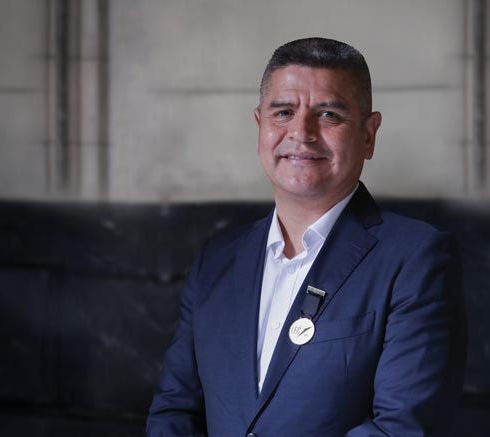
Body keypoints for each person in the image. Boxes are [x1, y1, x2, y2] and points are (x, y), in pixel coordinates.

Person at [147, 37, 466, 436]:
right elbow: (174, 411)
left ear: (369, 135)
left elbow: (401, 429)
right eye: (283, 112)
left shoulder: (416, 258)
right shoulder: (217, 260)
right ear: (260, 126)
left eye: (329, 114)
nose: (301, 132)